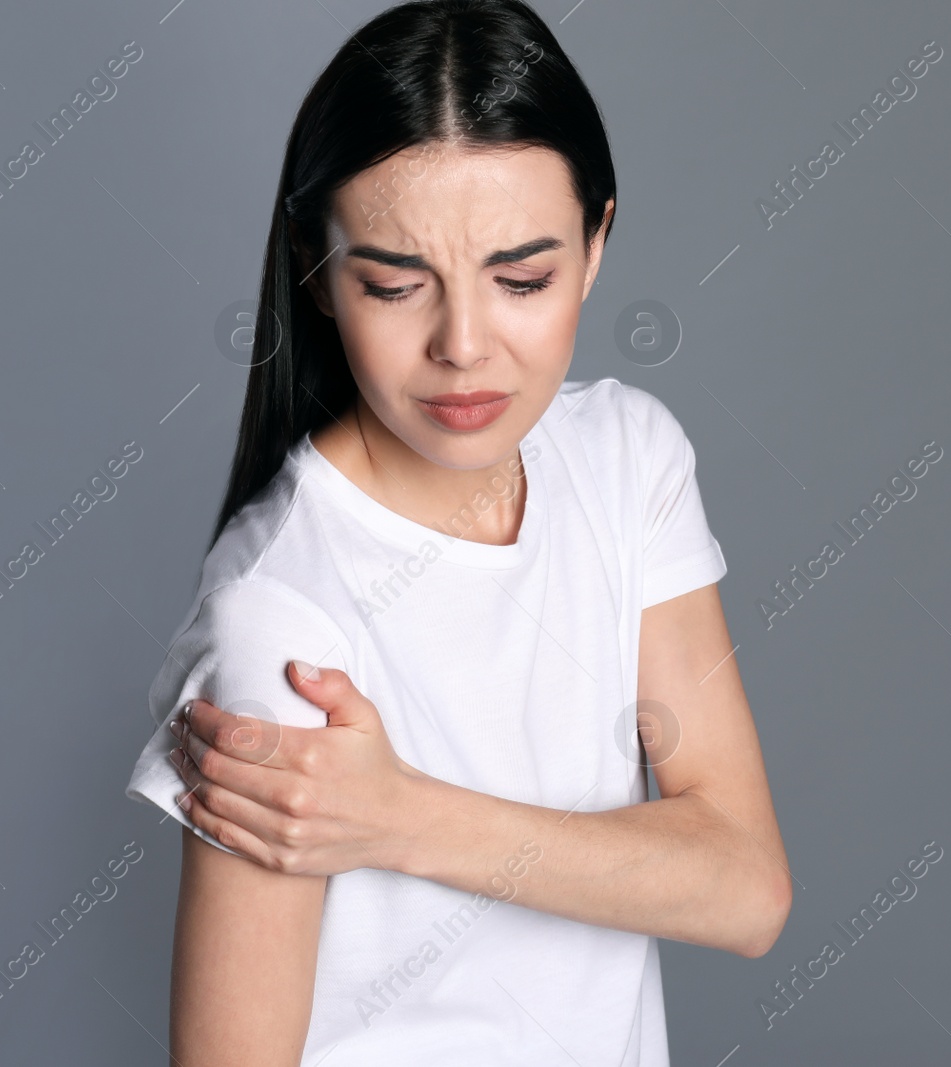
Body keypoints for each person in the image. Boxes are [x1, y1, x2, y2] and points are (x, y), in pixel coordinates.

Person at [124, 2, 792, 1063]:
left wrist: (402, 816)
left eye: (522, 278)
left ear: (597, 242)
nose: (464, 345)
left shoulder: (629, 463)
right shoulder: (278, 618)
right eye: (395, 285)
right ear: (316, 266)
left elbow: (745, 887)